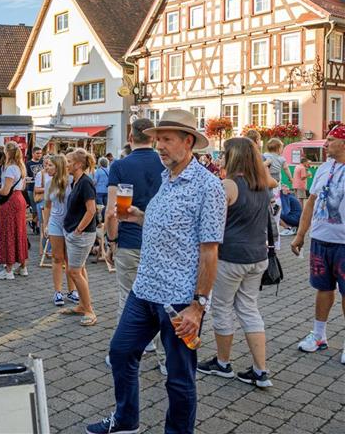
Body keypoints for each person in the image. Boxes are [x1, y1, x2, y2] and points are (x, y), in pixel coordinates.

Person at [86, 109, 226, 434]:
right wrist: (139, 216)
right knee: (121, 352)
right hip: (144, 289)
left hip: (178, 302)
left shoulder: (208, 187)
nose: (159, 145)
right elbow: (174, 228)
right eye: (157, 139)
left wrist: (197, 306)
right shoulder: (167, 178)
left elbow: (210, 251)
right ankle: (125, 421)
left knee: (179, 379)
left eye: (166, 139)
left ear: (188, 141)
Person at [197, 137, 274, 388]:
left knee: (222, 308)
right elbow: (270, 175)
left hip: (231, 257)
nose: (220, 158)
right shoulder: (263, 184)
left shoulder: (228, 185)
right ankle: (260, 370)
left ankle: (222, 363)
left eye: (224, 154)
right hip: (257, 257)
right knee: (249, 309)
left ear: (233, 157)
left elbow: (212, 222)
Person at [104, 118, 166, 373]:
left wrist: (111, 240)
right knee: (163, 299)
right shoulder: (166, 163)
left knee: (128, 298)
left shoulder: (120, 166)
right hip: (160, 243)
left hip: (129, 240)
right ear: (152, 137)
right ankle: (166, 359)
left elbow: (111, 212)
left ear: (130, 136)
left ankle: (123, 354)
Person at [291, 124, 345, 365]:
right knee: (323, 288)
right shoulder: (324, 168)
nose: (326, 144)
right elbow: (311, 203)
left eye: (331, 140)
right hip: (321, 240)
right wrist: (300, 234)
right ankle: (319, 335)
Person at [59, 148, 98, 326]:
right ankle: (83, 305)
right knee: (79, 270)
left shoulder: (85, 183)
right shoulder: (76, 182)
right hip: (74, 232)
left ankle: (89, 310)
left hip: (81, 235)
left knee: (74, 271)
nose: (65, 164)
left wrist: (78, 230)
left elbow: (91, 210)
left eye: (68, 162)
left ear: (78, 164)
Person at [42, 155, 78, 306]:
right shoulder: (49, 182)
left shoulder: (72, 181)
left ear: (58, 166)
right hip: (55, 222)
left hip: (70, 223)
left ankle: (72, 290)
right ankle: (57, 291)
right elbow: (47, 205)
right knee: (57, 257)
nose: (47, 168)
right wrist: (45, 224)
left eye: (50, 165)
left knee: (71, 259)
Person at [0, 142, 29, 280]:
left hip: (10, 202)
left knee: (8, 232)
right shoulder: (21, 167)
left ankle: (8, 270)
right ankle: (22, 266)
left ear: (7, 153)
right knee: (19, 232)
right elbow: (23, 186)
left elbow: (5, 191)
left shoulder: (9, 169)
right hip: (20, 199)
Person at [25, 146, 44, 221]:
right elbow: (26, 175)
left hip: (41, 188)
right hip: (31, 188)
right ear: (33, 154)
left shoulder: (43, 162)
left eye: (40, 153)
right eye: (37, 153)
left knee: (42, 207)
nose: (39, 155)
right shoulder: (28, 163)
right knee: (34, 208)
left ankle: (40, 224)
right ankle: (35, 224)